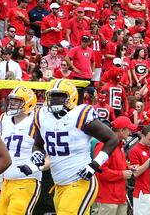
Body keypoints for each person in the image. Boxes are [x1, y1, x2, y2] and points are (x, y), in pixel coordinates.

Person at [32, 79, 119, 215]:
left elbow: (112, 139)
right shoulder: (42, 116)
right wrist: (36, 154)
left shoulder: (79, 115)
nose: (55, 100)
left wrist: (94, 164)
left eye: (60, 96)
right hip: (59, 185)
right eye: (52, 96)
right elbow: (38, 145)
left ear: (71, 97)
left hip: (80, 182)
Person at [0, 86, 45, 215]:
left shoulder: (36, 120)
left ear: (29, 103)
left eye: (17, 101)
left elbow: (46, 150)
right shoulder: (4, 119)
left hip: (27, 180)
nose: (12, 104)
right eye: (11, 100)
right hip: (6, 180)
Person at [94, 115, 137, 215]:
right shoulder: (104, 145)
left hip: (119, 197)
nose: (130, 132)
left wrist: (127, 167)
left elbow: (114, 166)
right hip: (108, 198)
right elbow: (100, 171)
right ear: (122, 130)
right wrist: (121, 174)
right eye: (129, 130)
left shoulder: (118, 145)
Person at [128, 125, 150, 215]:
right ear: (142, 136)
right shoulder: (135, 150)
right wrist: (149, 160)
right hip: (143, 193)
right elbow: (136, 173)